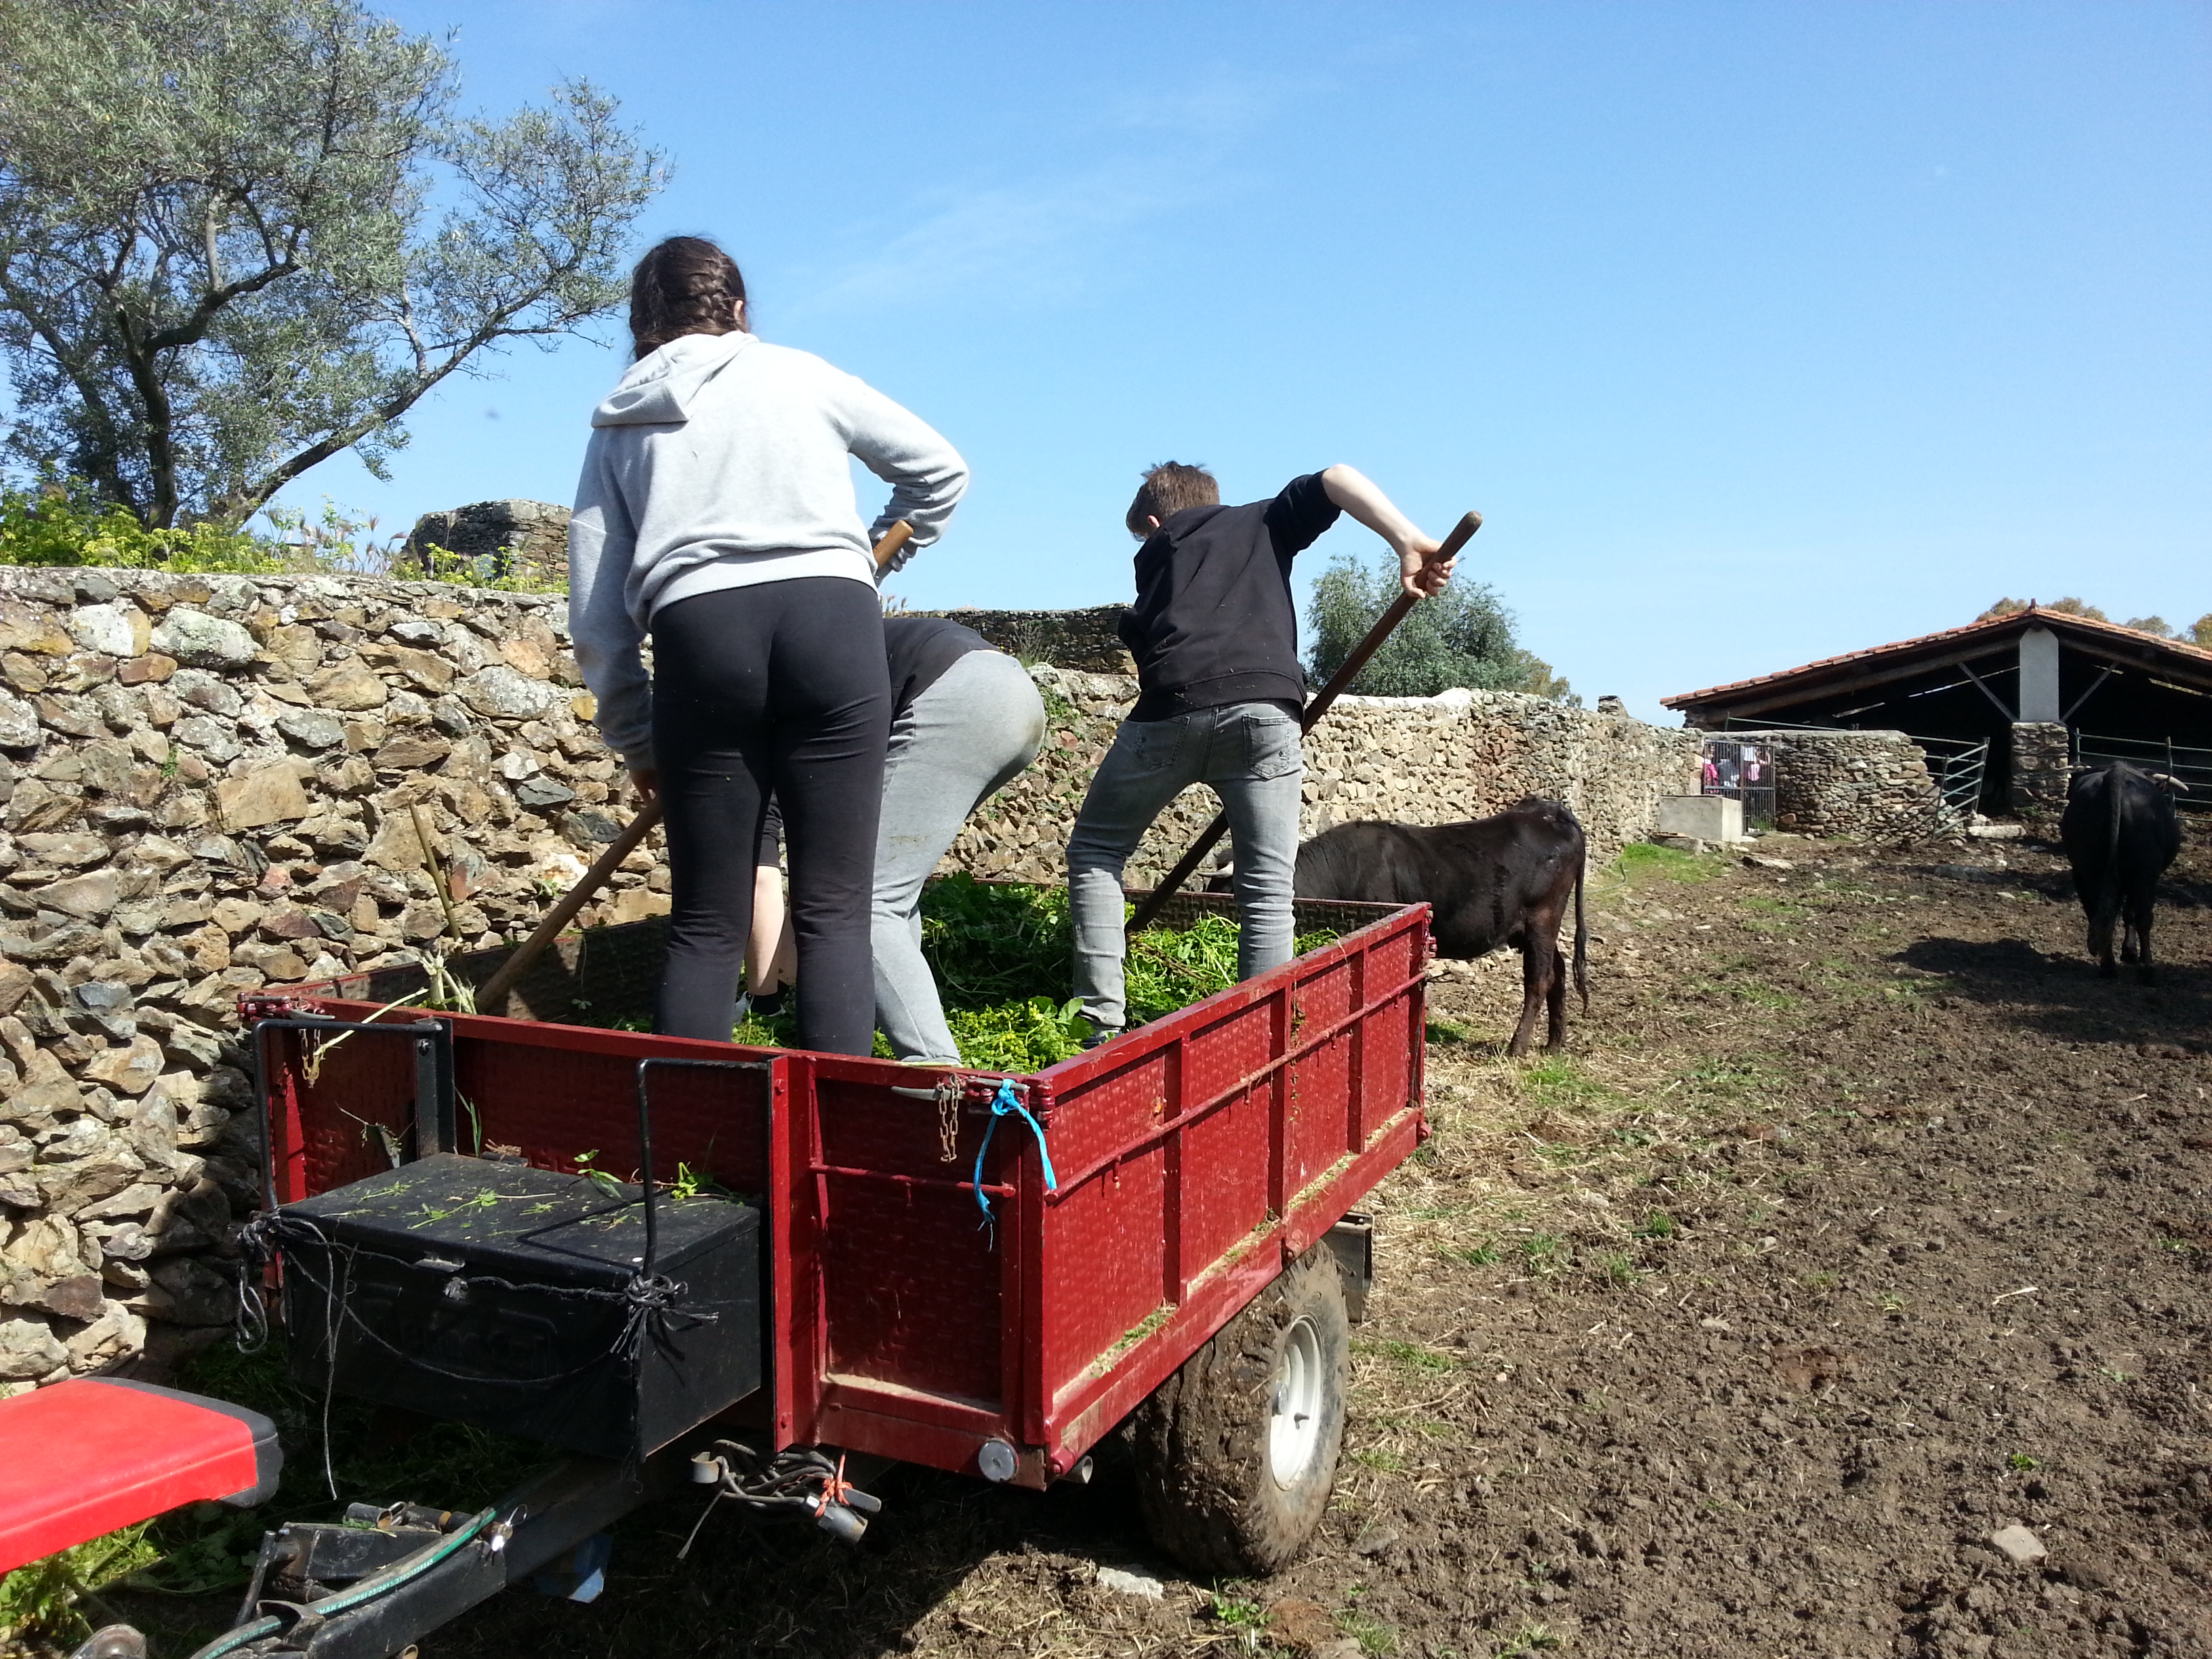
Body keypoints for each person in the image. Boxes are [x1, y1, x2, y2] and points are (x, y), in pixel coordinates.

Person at [567, 236, 968, 1054]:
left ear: (643, 325)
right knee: (834, 912)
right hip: (832, 623)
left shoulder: (621, 423)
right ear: (740, 310)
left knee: (708, 922)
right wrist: (875, 550)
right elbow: (941, 471)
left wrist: (637, 740)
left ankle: (696, 1155)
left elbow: (598, 615)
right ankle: (824, 1160)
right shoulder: (802, 374)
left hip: (701, 637)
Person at [1065, 463, 1454, 1042]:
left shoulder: (1158, 553)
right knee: (1268, 888)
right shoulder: (1263, 521)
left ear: (1153, 521)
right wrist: (1408, 541)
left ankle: (1098, 1031)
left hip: (1170, 709)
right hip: (1267, 710)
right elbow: (1338, 477)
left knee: (1096, 851)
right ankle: (1256, 1047)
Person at [751, 615, 1047, 1063]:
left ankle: (937, 1071)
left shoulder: (772, 742)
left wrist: (764, 1000)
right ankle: (875, 1017)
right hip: (1009, 691)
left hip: (956, 697)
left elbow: (764, 885)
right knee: (892, 891)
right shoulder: (803, 677)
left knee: (864, 901)